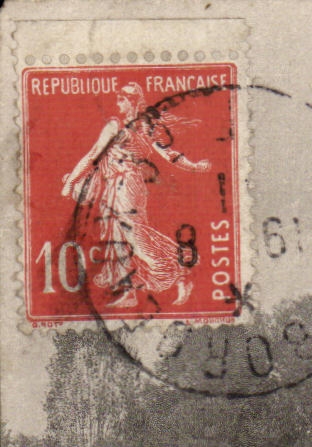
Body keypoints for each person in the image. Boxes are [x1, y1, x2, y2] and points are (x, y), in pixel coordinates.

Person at [61, 83, 212, 307]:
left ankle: (181, 272)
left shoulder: (124, 125)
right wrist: (194, 166)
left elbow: (94, 155)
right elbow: (168, 153)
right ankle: (129, 291)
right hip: (119, 185)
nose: (117, 103)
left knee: (134, 237)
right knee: (120, 237)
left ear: (132, 102)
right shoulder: (137, 126)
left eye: (121, 99)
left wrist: (71, 181)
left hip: (125, 185)